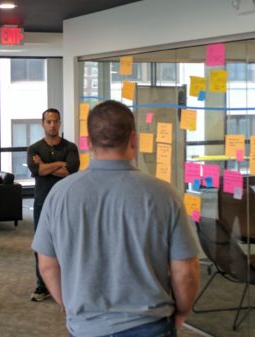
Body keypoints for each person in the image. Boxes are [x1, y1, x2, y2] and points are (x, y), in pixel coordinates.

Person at [32, 100, 199, 336]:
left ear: (89, 143)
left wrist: (70, 308)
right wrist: (182, 311)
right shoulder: (163, 194)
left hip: (85, 327)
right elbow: (186, 270)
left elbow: (47, 265)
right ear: (134, 140)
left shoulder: (60, 194)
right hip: (151, 325)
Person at [25, 108, 79, 302]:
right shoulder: (34, 148)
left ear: (60, 123)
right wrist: (59, 164)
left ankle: (67, 282)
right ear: (43, 124)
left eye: (56, 121)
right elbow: (37, 170)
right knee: (41, 244)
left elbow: (70, 171)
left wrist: (46, 166)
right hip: (42, 202)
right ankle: (42, 286)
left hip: (66, 202)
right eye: (48, 121)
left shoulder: (71, 147)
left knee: (67, 242)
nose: (52, 125)